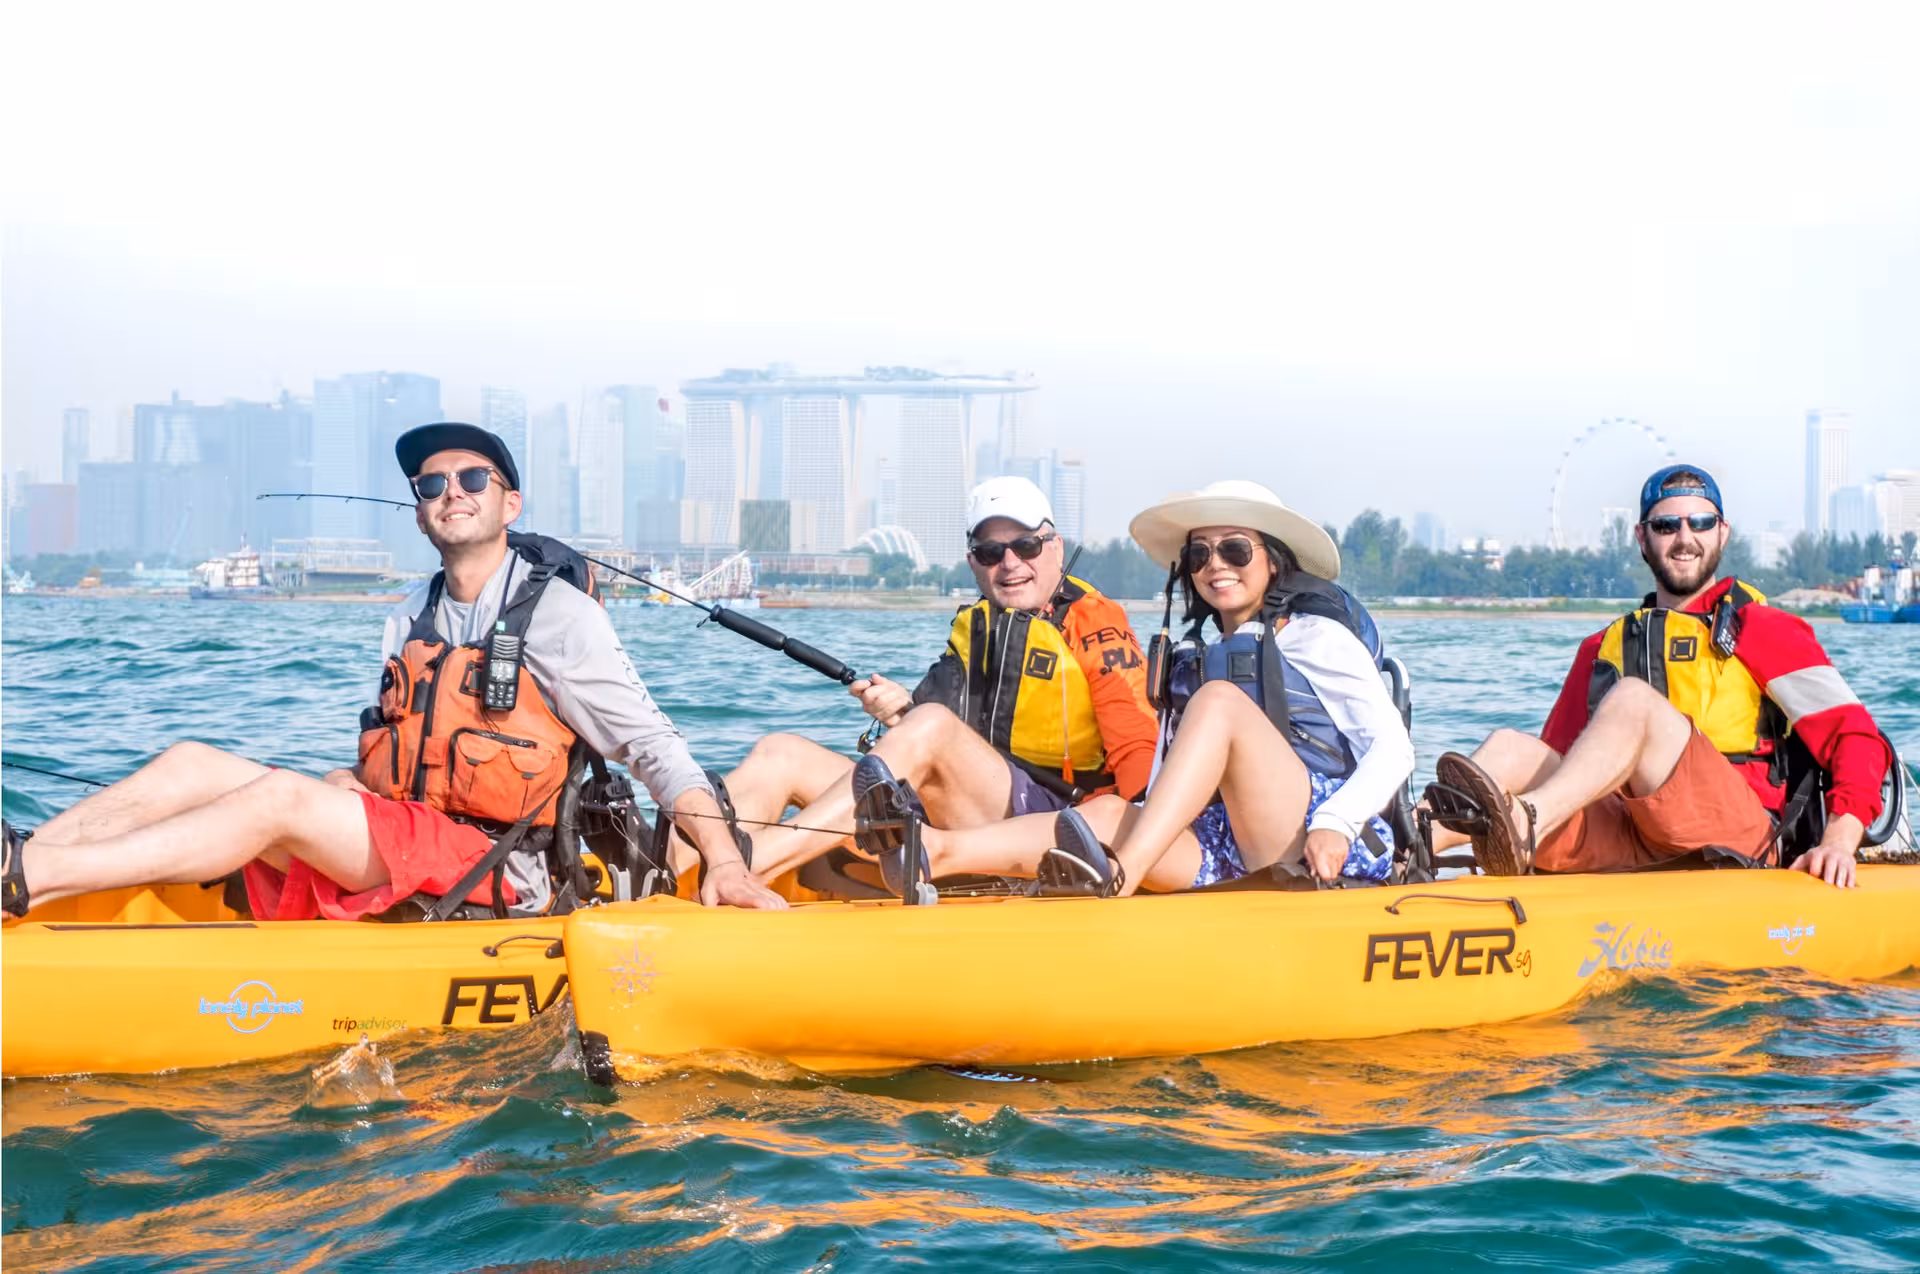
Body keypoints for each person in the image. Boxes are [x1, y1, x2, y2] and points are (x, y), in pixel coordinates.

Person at [1, 423, 784, 920]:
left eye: (473, 479)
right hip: (411, 832)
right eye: (432, 484)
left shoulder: (559, 615)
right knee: (193, 763)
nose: (452, 492)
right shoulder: (410, 612)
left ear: (509, 504)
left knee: (278, 799)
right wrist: (345, 786)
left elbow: (655, 748)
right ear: (418, 510)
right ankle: (20, 873)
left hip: (500, 872)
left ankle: (35, 876)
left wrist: (723, 865)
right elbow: (403, 758)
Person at [910, 481, 1414, 896]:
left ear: (1274, 560)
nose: (1216, 564)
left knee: (1218, 703)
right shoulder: (1196, 658)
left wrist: (1337, 823)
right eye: (1199, 554)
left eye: (1235, 549)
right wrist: (1132, 819)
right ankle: (937, 851)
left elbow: (1394, 750)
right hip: (1226, 842)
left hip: (1314, 839)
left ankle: (1119, 880)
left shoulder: (1314, 634)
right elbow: (1169, 778)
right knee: (1106, 813)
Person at [1426, 464, 1891, 889]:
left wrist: (1839, 839)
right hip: (1628, 835)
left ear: (1722, 533)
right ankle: (1399, 847)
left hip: (1737, 838)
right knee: (1509, 749)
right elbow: (1560, 766)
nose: (1684, 537)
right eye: (1667, 525)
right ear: (1642, 537)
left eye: (1701, 523)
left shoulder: (1765, 629)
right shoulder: (1601, 648)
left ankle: (1529, 824)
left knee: (1633, 701)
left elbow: (1858, 738)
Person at [723, 475, 1159, 894]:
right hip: (956, 813)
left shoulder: (1097, 624)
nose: (1010, 563)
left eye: (1026, 546)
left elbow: (1138, 749)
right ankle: (690, 863)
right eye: (990, 553)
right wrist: (902, 714)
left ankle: (753, 860)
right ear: (973, 563)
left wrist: (1139, 851)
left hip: (1047, 825)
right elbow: (936, 745)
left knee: (929, 722)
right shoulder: (976, 626)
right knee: (782, 753)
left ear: (1056, 548)